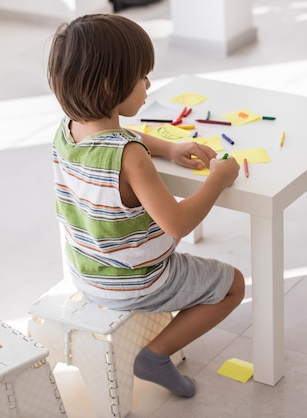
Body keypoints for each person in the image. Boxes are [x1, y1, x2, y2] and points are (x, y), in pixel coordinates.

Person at [47, 14, 245, 398]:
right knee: (233, 285)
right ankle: (155, 356)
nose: (148, 85)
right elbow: (179, 223)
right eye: (142, 77)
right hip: (136, 281)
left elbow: (117, 134)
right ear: (110, 85)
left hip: (87, 270)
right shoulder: (130, 157)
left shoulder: (68, 128)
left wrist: (169, 147)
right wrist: (219, 180)